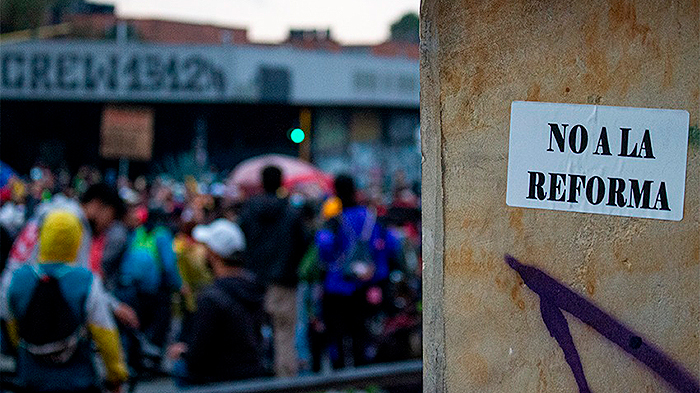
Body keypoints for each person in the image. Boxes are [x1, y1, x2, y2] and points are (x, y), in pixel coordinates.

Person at [1, 210, 128, 392]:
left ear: (42, 236)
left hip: (31, 379)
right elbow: (106, 334)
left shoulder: (16, 280)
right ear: (78, 238)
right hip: (77, 381)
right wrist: (116, 376)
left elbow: (12, 331)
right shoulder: (87, 281)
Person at [315, 175, 399, 369]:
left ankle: (342, 384)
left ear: (335, 192)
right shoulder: (372, 218)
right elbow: (390, 245)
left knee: (337, 339)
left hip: (337, 289)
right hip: (365, 287)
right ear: (355, 190)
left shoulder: (334, 221)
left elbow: (324, 248)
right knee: (361, 337)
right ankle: (363, 384)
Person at [168, 218, 266, 385]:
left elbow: (198, 357)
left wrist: (184, 353)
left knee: (180, 368)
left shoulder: (212, 297)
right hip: (253, 373)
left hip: (218, 378)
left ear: (214, 254)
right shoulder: (254, 287)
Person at [238, 166, 310, 377]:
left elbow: (240, 240)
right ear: (281, 182)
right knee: (284, 336)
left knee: (250, 334)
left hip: (252, 282)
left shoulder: (249, 210)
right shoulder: (291, 213)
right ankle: (285, 383)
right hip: (284, 283)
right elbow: (304, 242)